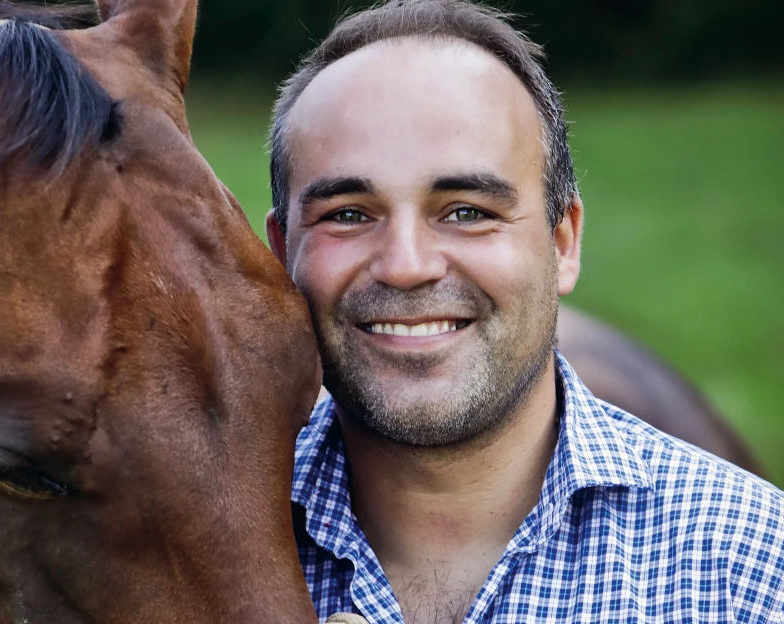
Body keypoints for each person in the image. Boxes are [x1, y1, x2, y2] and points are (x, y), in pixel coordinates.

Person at [264, 1, 784, 622]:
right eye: (347, 214)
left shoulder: (751, 573)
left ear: (563, 243)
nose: (406, 265)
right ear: (278, 255)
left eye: (467, 211)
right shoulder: (168, 554)